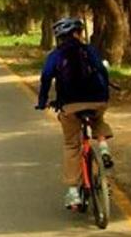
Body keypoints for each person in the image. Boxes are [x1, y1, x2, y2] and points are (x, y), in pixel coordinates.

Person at [36, 17, 114, 209]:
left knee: (72, 145)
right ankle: (103, 149)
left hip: (70, 106)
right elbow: (102, 71)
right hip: (97, 101)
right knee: (98, 118)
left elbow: (46, 77)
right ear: (78, 33)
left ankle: (73, 193)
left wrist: (42, 101)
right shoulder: (89, 50)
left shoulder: (55, 55)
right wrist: (105, 95)